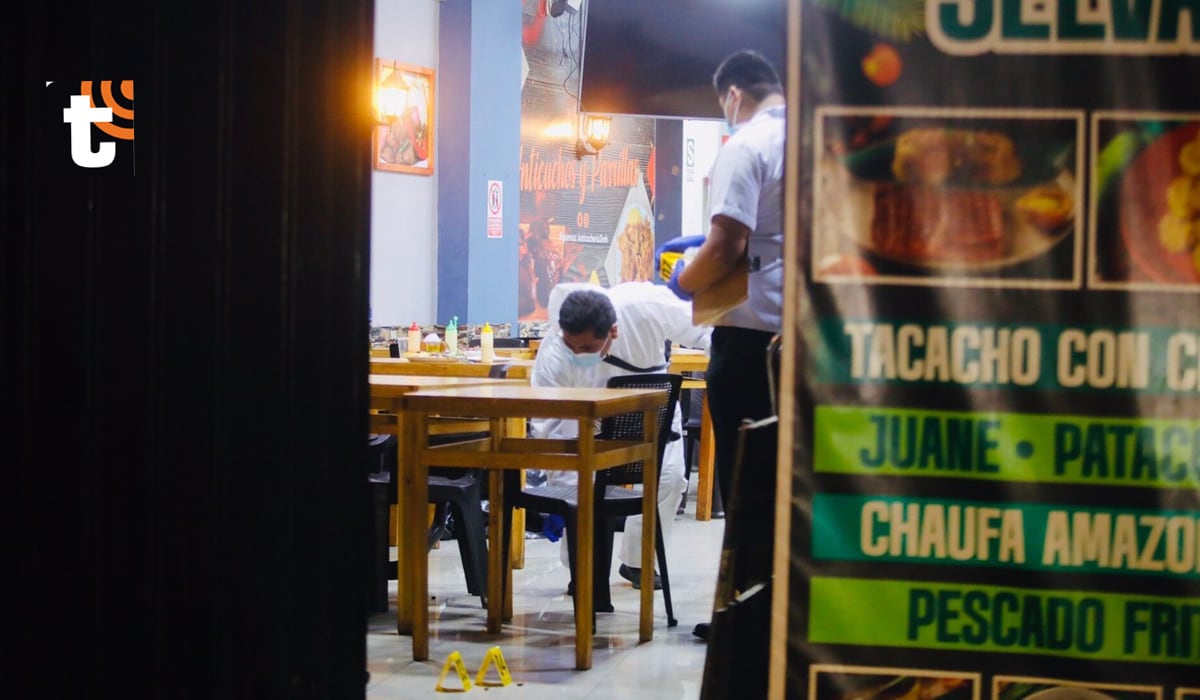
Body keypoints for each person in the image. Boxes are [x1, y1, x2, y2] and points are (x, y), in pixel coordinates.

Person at [662, 48, 784, 678]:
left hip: (748, 342)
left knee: (745, 486)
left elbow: (728, 242)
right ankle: (779, 614)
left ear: (733, 94)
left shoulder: (745, 143)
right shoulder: (810, 138)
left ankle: (744, 618)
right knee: (788, 487)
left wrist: (685, 278)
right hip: (798, 341)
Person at [530, 281, 711, 594]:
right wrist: (561, 494)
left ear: (612, 332)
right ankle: (583, 569)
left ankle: (638, 560)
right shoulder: (554, 355)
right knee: (580, 489)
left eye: (587, 349)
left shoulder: (646, 305)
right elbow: (552, 426)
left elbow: (704, 330)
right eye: (572, 346)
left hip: (650, 402)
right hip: (588, 418)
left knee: (670, 478)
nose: (577, 354)